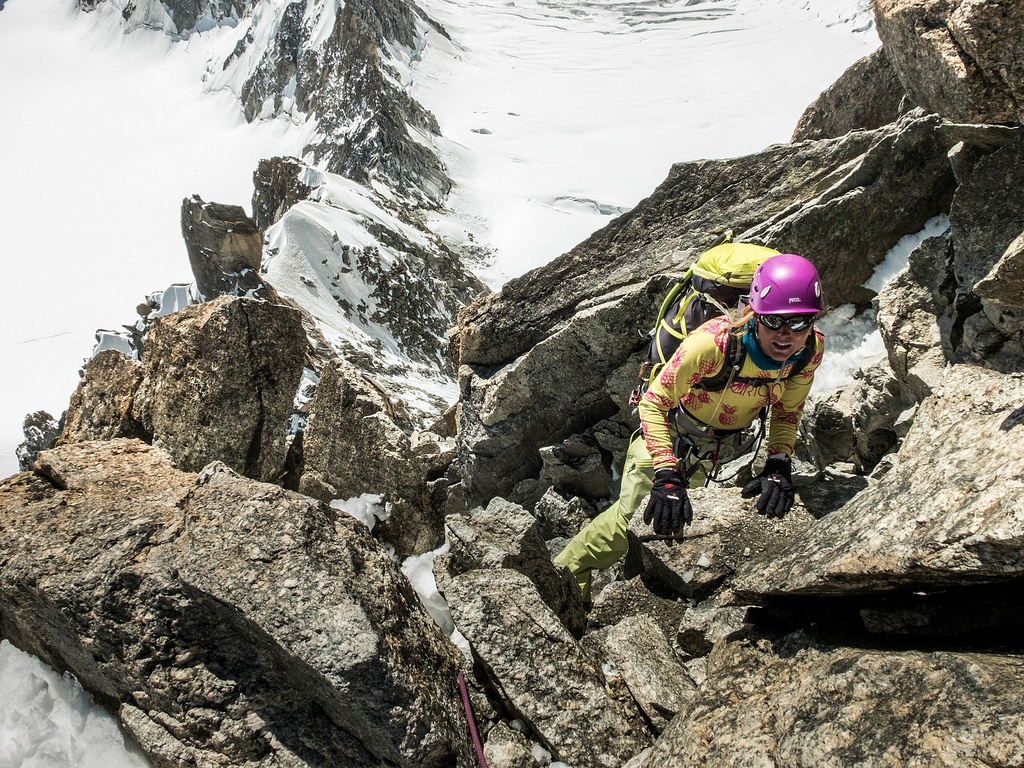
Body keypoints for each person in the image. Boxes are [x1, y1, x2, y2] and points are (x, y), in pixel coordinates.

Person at [553, 253, 826, 602]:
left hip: (709, 451)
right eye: (773, 321)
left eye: (799, 322)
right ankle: (565, 576)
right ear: (755, 314)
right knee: (630, 523)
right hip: (666, 437)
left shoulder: (809, 350)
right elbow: (653, 403)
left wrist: (778, 464)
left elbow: (789, 409)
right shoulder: (713, 345)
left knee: (671, 528)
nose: (786, 335)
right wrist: (667, 473)